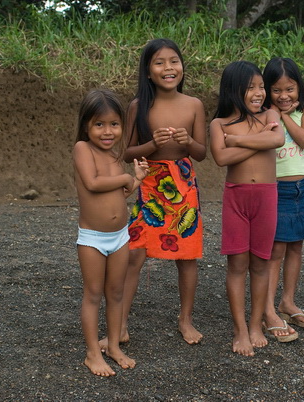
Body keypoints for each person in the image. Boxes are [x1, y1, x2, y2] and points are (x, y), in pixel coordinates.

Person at [99, 38, 207, 350]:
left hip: (184, 186)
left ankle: (185, 319)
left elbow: (201, 153)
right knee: (134, 254)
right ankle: (119, 324)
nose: (168, 68)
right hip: (150, 185)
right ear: (148, 71)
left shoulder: (194, 105)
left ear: (182, 67)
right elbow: (128, 150)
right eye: (159, 62)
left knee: (187, 256)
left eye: (174, 61)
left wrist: (187, 142)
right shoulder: (138, 106)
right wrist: (152, 145)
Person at [210, 61, 285, 356]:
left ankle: (256, 325)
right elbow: (221, 157)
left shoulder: (271, 114)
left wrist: (240, 139)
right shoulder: (219, 124)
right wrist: (260, 140)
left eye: (261, 86)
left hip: (267, 196)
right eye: (251, 87)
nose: (259, 92)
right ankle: (240, 329)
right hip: (236, 197)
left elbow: (277, 139)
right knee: (237, 264)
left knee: (261, 263)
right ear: (233, 89)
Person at [73, 89, 149, 376]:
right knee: (93, 293)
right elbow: (93, 183)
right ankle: (93, 353)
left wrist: (136, 181)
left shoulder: (116, 156)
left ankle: (114, 345)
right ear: (86, 126)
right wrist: (127, 176)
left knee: (115, 293)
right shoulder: (83, 149)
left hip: (119, 236)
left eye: (114, 124)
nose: (107, 131)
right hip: (93, 238)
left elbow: (121, 194)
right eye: (99, 124)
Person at [261, 57, 304, 341]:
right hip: (277, 190)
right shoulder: (263, 114)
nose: (284, 96)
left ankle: (287, 302)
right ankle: (267, 310)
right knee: (275, 250)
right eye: (277, 90)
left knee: (296, 247)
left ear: (299, 87)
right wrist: (275, 113)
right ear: (266, 90)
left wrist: (285, 115)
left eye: (290, 89)